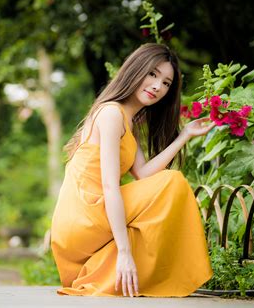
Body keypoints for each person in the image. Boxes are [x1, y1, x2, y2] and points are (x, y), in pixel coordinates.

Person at [51, 43, 215, 298]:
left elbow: (144, 173)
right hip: (85, 215)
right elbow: (109, 187)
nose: (158, 86)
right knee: (172, 183)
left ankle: (119, 271)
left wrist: (185, 135)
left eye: (166, 83)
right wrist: (125, 253)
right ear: (135, 70)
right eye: (152, 74)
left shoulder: (127, 122)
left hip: (88, 217)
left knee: (169, 184)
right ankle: (138, 265)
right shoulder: (111, 114)